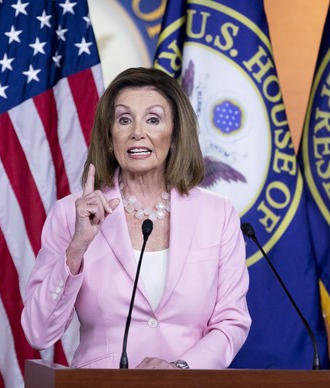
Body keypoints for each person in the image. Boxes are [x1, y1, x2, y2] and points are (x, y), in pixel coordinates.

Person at [21, 67, 251, 369]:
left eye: (153, 119)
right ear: (109, 135)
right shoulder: (70, 214)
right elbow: (38, 333)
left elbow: (231, 321)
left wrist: (180, 370)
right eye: (124, 119)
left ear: (175, 134)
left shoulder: (217, 214)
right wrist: (77, 248)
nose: (137, 132)